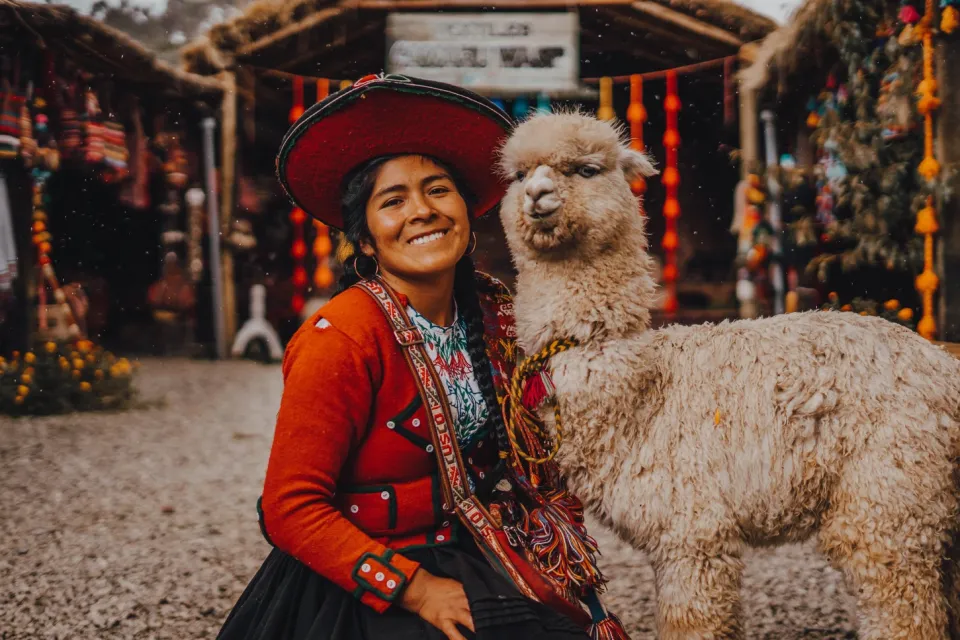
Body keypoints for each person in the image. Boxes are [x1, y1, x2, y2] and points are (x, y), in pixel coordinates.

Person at [217, 75, 627, 640]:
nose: (422, 211)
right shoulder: (341, 337)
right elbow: (289, 509)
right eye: (393, 201)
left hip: (476, 546)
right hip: (368, 574)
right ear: (365, 241)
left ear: (466, 210)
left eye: (437, 190)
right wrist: (415, 590)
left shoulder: (497, 313)